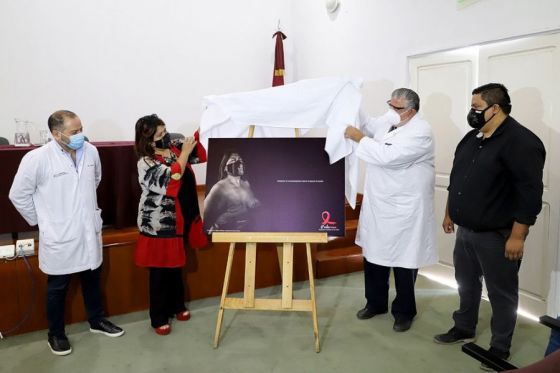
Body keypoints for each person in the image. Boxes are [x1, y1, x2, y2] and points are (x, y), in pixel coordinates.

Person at [433, 83, 546, 369]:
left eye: (476, 108)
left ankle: (500, 347)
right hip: (466, 232)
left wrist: (518, 236)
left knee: (501, 292)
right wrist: (450, 213)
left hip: (498, 236)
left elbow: (530, 194)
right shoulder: (473, 138)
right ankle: (464, 327)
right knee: (465, 284)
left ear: (496, 108)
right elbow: (457, 179)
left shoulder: (522, 143)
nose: (472, 113)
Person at [9, 110, 124, 356]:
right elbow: (18, 194)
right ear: (56, 134)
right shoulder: (37, 158)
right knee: (58, 286)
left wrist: (81, 207)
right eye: (74, 132)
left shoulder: (90, 151)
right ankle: (56, 334)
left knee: (92, 278)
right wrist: (43, 221)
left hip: (87, 229)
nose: (80, 135)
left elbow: (95, 179)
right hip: (60, 233)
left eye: (81, 129)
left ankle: (97, 320)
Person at [344, 88, 437, 332]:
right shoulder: (391, 120)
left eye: (397, 108)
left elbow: (388, 156)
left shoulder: (421, 131)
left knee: (404, 262)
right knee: (374, 256)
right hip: (380, 204)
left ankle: (404, 312)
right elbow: (368, 123)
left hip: (405, 208)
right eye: (391, 105)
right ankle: (375, 304)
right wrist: (351, 99)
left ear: (411, 111)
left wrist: (358, 138)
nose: (391, 111)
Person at [134, 114, 207, 336]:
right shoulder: (146, 162)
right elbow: (173, 178)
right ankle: (158, 316)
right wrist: (183, 153)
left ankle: (177, 306)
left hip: (183, 217)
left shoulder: (174, 147)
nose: (166, 137)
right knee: (159, 272)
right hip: (160, 223)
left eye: (165, 131)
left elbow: (197, 152)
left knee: (176, 267)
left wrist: (207, 122)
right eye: (160, 135)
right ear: (147, 140)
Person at [203, 151, 260, 232]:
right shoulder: (219, 187)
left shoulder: (246, 183)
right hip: (227, 230)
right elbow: (205, 214)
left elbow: (250, 204)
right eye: (233, 160)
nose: (239, 163)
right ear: (225, 168)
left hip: (246, 229)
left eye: (240, 160)